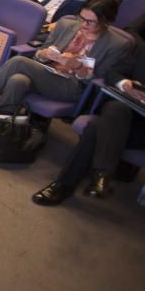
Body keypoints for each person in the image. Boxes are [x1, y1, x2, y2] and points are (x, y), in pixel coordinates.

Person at [0, 0, 130, 115]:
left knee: (17, 61)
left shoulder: (116, 44)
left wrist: (78, 67)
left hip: (73, 86)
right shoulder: (67, 24)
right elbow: (40, 53)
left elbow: (100, 80)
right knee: (17, 80)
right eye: (82, 18)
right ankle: (2, 128)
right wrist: (45, 53)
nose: (83, 24)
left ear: (106, 21)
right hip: (46, 71)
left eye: (90, 22)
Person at [32, 42, 145, 205]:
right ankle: (100, 178)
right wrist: (125, 84)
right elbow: (114, 73)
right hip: (124, 114)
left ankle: (65, 185)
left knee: (95, 128)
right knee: (115, 108)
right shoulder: (141, 50)